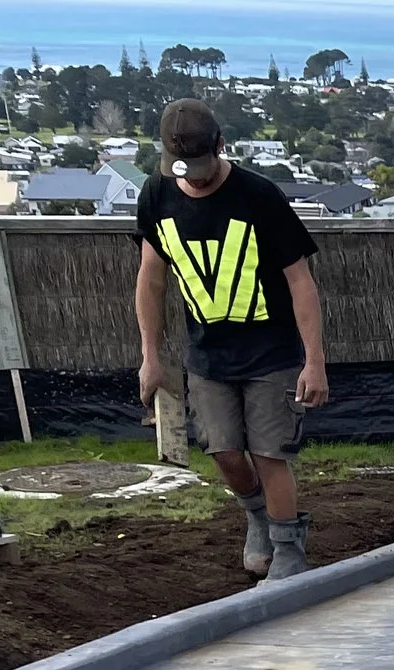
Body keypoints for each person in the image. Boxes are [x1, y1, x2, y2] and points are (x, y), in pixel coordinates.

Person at [133, 99, 329, 581]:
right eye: (182, 168)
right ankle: (258, 517)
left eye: (200, 167)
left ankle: (287, 546)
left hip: (271, 353)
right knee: (223, 451)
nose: (194, 180)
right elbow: (151, 278)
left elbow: (301, 281)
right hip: (207, 356)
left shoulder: (258, 196)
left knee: (269, 453)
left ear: (220, 146)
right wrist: (150, 356)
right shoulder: (156, 194)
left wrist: (314, 361)